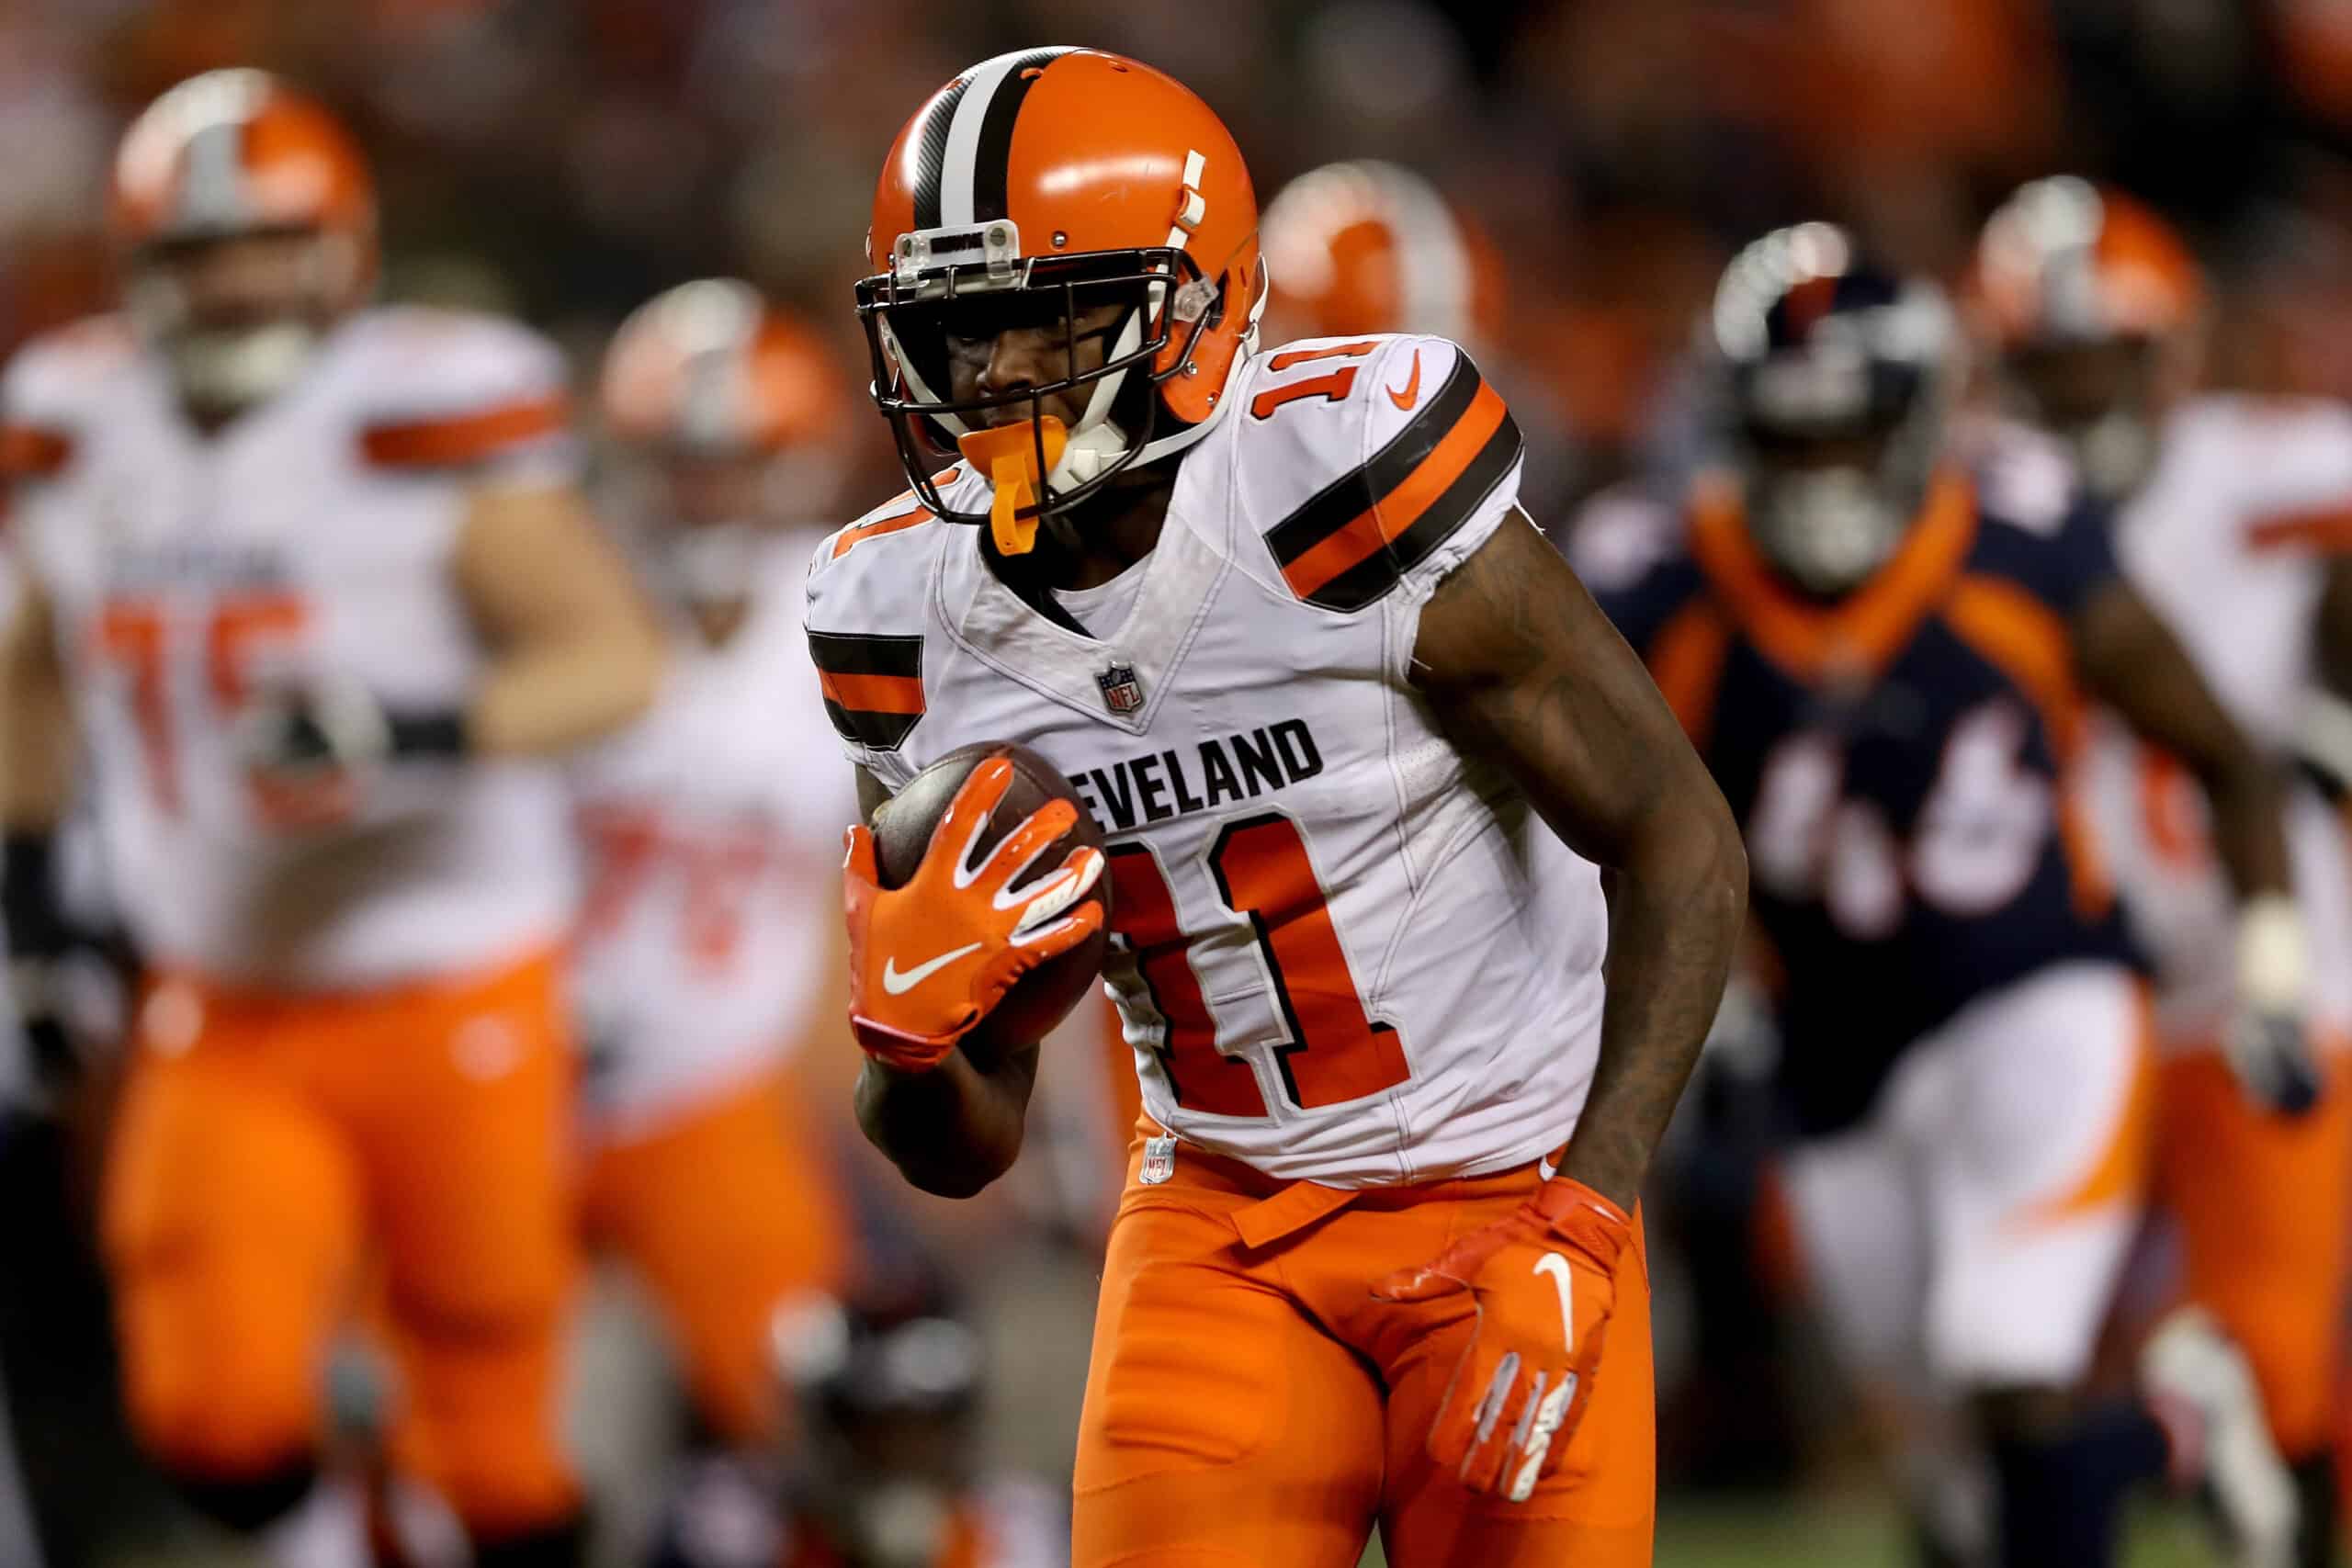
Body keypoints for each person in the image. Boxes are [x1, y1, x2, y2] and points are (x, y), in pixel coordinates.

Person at [804, 46, 1747, 1567]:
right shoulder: (896, 615)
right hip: (1221, 1218)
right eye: (960, 326)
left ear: (1194, 303)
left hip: (1509, 1183)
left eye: (1048, 318)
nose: (993, 373)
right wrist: (907, 1043)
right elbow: (961, 1138)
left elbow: (1677, 833)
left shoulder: (1341, 483)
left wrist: (1590, 1211)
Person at [0, 69, 662, 1567]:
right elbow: (34, 672)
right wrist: (35, 906)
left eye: (265, 243)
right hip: (223, 996)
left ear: (344, 248)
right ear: (134, 266)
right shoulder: (74, 421)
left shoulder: (419, 411)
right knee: (215, 1421)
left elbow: (612, 655)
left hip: (453, 977)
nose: (232, 282)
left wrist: (406, 730)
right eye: (193, 252)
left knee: (498, 1456)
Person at [1590, 221, 2304, 1568]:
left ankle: (2150, 1427)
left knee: (2010, 1367)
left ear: (1916, 416)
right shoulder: (1661, 580)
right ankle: (2178, 1423)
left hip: (2039, 994)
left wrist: (2270, 964)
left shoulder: (2020, 536)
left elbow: (2224, 754)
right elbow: (1595, 835)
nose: (1823, 470)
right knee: (1963, 1485)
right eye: (1792, 437)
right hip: (1832, 1056)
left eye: (1851, 431)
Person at [1974, 175, 2352, 1568]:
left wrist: (2331, 712)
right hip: (2129, 982)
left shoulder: (2262, 465)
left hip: (2219, 962)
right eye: (2050, 362)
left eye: (2098, 355)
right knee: (2093, 1363)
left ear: (2166, 347)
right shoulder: (2002, 504)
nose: (2078, 391)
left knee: (2255, 1363)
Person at [575, 278, 858, 1567]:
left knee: (805, 1431)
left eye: (735, 464)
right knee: (491, 1449)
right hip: (523, 1080)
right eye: (682, 465)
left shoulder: (853, 623)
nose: (705, 496)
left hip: (726, 1089)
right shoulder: (560, 600)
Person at [768, 1279, 1066, 1568]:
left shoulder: (1017, 1534)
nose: (901, 1454)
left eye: (921, 1432)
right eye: (877, 1434)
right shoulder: (783, 1537)